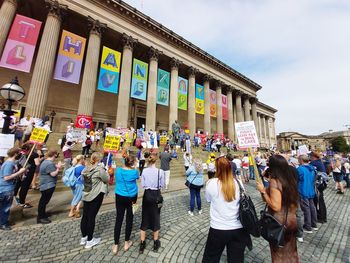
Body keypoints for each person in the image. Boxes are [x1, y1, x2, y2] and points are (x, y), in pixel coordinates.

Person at [202, 157, 251, 263]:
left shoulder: (211, 183)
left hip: (218, 228)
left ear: (217, 169)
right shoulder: (238, 183)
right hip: (238, 227)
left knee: (210, 258)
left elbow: (208, 200)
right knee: (236, 259)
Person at [256, 155, 299, 263]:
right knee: (291, 253)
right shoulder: (289, 178)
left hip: (279, 223)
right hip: (291, 220)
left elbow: (275, 206)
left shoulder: (275, 181)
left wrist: (263, 191)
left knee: (279, 255)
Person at [80, 152, 109, 249]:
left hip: (86, 193)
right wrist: (106, 171)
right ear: (98, 159)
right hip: (95, 194)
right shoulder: (99, 169)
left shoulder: (86, 168)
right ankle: (90, 240)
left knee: (85, 216)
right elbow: (106, 179)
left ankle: (84, 237)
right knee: (91, 217)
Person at [112, 155, 139, 255]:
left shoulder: (118, 170)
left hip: (119, 195)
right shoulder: (134, 172)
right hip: (131, 196)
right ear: (132, 163)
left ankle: (115, 244)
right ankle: (126, 242)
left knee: (119, 219)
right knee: (129, 218)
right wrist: (135, 167)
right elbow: (137, 176)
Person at [139, 152, 165, 253]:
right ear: (156, 160)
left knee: (144, 216)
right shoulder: (160, 171)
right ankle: (155, 242)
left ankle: (142, 243)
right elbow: (162, 185)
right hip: (156, 194)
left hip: (147, 194)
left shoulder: (144, 171)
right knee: (156, 217)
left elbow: (143, 185)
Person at [0, 148, 26, 230]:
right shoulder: (9, 164)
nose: (21, 154)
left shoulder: (11, 163)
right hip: (5, 189)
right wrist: (19, 172)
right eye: (20, 153)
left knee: (5, 207)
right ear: (15, 154)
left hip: (8, 188)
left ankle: (3, 221)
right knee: (5, 207)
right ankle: (3, 224)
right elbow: (6, 177)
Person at [37, 150, 63, 224]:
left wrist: (56, 166)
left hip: (46, 184)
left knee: (44, 201)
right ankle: (41, 217)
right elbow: (53, 174)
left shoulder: (46, 162)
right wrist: (58, 168)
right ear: (54, 155)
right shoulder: (49, 163)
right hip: (47, 185)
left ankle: (42, 214)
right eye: (56, 154)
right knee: (43, 202)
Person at [14, 143, 42, 208]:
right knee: (24, 187)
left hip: (20, 171)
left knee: (17, 185)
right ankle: (22, 202)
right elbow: (37, 163)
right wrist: (40, 159)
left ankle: (13, 198)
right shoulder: (34, 154)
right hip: (28, 173)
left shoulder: (21, 153)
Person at [297, 154, 318, 234]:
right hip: (310, 190)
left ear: (301, 160)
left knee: (306, 209)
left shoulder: (300, 169)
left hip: (303, 190)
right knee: (312, 207)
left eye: (299, 159)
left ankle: (308, 227)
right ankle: (314, 224)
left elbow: (296, 179)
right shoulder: (312, 168)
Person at [310, 152, 328, 223]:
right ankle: (321, 216)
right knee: (320, 200)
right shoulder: (318, 162)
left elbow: (309, 167)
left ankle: (322, 217)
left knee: (319, 201)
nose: (309, 158)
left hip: (319, 184)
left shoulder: (315, 163)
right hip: (321, 184)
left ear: (313, 157)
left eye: (310, 156)